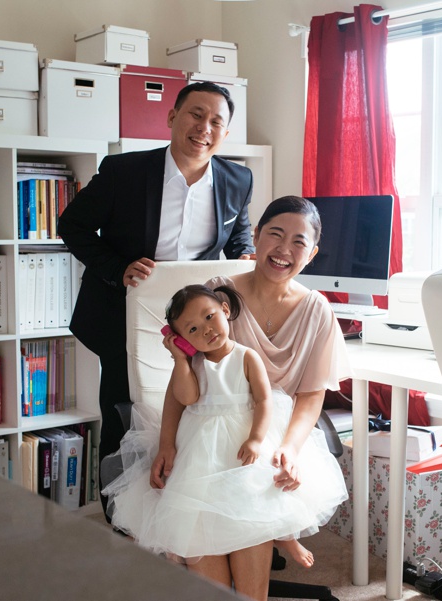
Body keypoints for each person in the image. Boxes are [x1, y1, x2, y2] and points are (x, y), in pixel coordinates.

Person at [57, 81, 255, 510]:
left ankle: (185, 511)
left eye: (216, 121)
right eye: (195, 114)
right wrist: (118, 268)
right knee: (126, 416)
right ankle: (120, 518)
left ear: (225, 132)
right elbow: (71, 225)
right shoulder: (123, 171)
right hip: (124, 314)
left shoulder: (238, 179)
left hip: (196, 322)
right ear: (172, 116)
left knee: (197, 410)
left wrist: (244, 255)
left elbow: (238, 235)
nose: (204, 128)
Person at [150, 195, 352, 601]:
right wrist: (167, 443)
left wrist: (289, 448)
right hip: (207, 433)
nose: (284, 249)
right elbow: (182, 381)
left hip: (270, 433)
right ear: (256, 236)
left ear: (312, 253)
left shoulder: (317, 311)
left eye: (299, 241)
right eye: (275, 234)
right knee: (206, 554)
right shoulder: (216, 295)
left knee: (253, 506)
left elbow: (311, 396)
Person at [102, 284, 345, 575]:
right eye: (192, 329)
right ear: (180, 339)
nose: (206, 330)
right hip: (202, 443)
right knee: (197, 498)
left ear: (225, 310)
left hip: (242, 433)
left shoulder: (246, 356)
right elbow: (187, 397)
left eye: (209, 317)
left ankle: (286, 539)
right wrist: (180, 358)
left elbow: (264, 400)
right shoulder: (193, 364)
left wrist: (256, 438)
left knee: (260, 490)